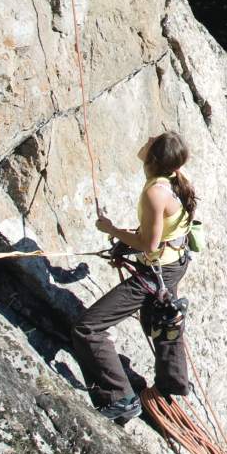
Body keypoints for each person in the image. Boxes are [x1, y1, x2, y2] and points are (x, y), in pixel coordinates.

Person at [72, 131, 198, 424]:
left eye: (152, 140)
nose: (147, 138)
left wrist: (111, 230)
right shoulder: (175, 178)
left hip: (157, 270)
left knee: (87, 328)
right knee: (163, 321)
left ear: (153, 157)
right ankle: (173, 385)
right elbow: (161, 232)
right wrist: (128, 242)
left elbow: (150, 244)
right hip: (172, 263)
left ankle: (120, 398)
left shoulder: (156, 192)